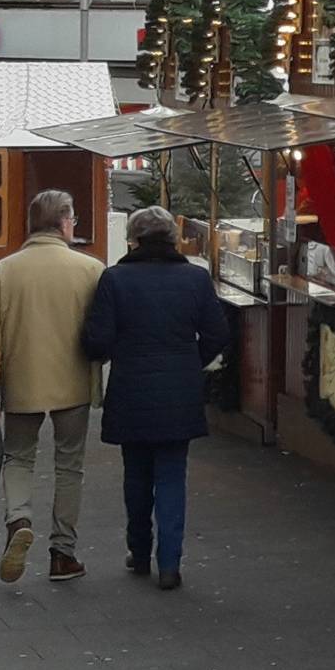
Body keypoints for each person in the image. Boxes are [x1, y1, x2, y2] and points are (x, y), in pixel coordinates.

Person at [82, 206, 232, 591]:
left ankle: (139, 550)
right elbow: (217, 333)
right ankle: (169, 563)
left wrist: (120, 351)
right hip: (179, 391)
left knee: (135, 474)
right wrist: (189, 362)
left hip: (131, 388)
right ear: (172, 239)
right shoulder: (195, 279)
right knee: (171, 475)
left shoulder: (115, 279)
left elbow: (97, 340)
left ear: (134, 240)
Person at [0, 190, 105, 584]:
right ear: (64, 223)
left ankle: (18, 520)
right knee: (69, 465)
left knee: (18, 457)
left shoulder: (4, 271)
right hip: (74, 381)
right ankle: (63, 553)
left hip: (21, 382)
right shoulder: (91, 269)